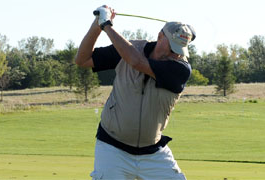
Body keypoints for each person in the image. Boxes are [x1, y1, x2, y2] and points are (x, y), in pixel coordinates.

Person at [75, 5, 195, 180]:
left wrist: (107, 25)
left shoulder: (180, 68)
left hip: (153, 154)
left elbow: (136, 62)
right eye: (171, 47)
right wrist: (97, 24)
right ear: (160, 36)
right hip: (112, 148)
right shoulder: (130, 48)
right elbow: (82, 59)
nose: (174, 54)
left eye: (179, 50)